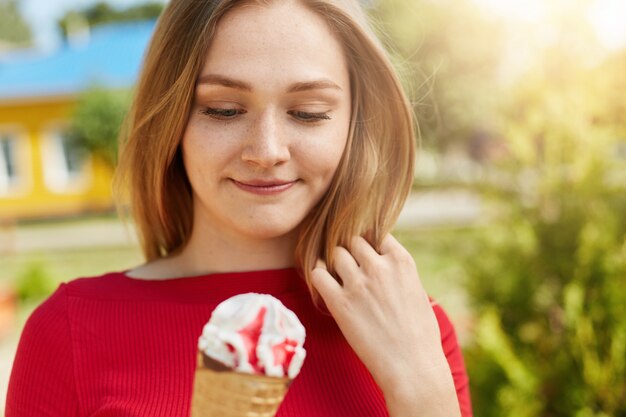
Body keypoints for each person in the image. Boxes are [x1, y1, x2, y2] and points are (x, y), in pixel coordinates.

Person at [6, 0, 472, 416]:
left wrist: (420, 389)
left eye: (308, 112)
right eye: (224, 109)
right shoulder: (70, 330)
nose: (266, 151)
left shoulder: (414, 326)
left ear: (355, 125)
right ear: (172, 121)